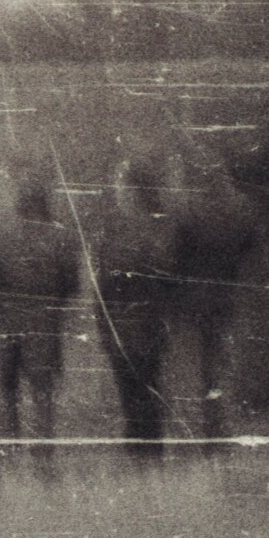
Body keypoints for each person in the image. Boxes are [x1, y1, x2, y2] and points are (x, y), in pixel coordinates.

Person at [0, 176, 85, 467]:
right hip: (44, 323)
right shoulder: (61, 238)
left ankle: (7, 455)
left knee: (8, 392)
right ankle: (43, 458)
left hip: (8, 322)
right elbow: (72, 285)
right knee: (43, 393)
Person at [165, 166, 263, 452]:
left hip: (192, 299)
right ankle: (218, 428)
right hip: (226, 297)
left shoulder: (191, 213)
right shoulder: (240, 212)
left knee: (190, 367)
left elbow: (176, 256)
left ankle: (195, 431)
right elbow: (251, 251)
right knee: (218, 368)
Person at [82, 162, 173, 463]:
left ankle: (146, 450)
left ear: (136, 191)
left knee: (141, 385)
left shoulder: (146, 230)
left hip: (139, 319)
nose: (119, 192)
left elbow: (160, 275)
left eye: (123, 186)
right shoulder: (121, 230)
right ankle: (143, 451)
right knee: (133, 386)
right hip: (127, 319)